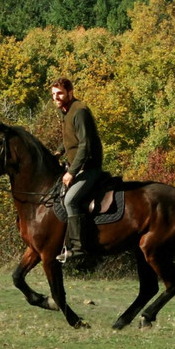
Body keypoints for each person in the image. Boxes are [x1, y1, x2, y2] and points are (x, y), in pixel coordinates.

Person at [50, 78, 104, 264]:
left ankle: (78, 249)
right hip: (77, 166)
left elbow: (85, 145)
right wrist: (59, 151)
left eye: (60, 94)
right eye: (53, 94)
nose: (56, 98)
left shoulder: (79, 111)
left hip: (89, 168)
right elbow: (71, 139)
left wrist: (71, 172)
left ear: (70, 93)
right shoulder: (66, 111)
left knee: (70, 200)